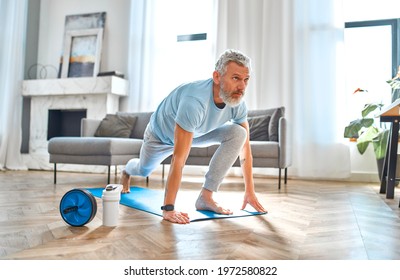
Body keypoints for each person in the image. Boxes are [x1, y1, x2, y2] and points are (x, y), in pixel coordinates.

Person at [120, 49, 267, 224]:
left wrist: (250, 191)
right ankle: (126, 171)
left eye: (246, 79)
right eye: (235, 78)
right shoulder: (194, 101)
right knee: (143, 170)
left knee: (238, 133)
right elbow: (179, 159)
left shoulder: (237, 104)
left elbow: (245, 151)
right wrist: (168, 208)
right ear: (217, 77)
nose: (242, 87)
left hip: (196, 132)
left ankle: (206, 196)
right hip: (159, 137)